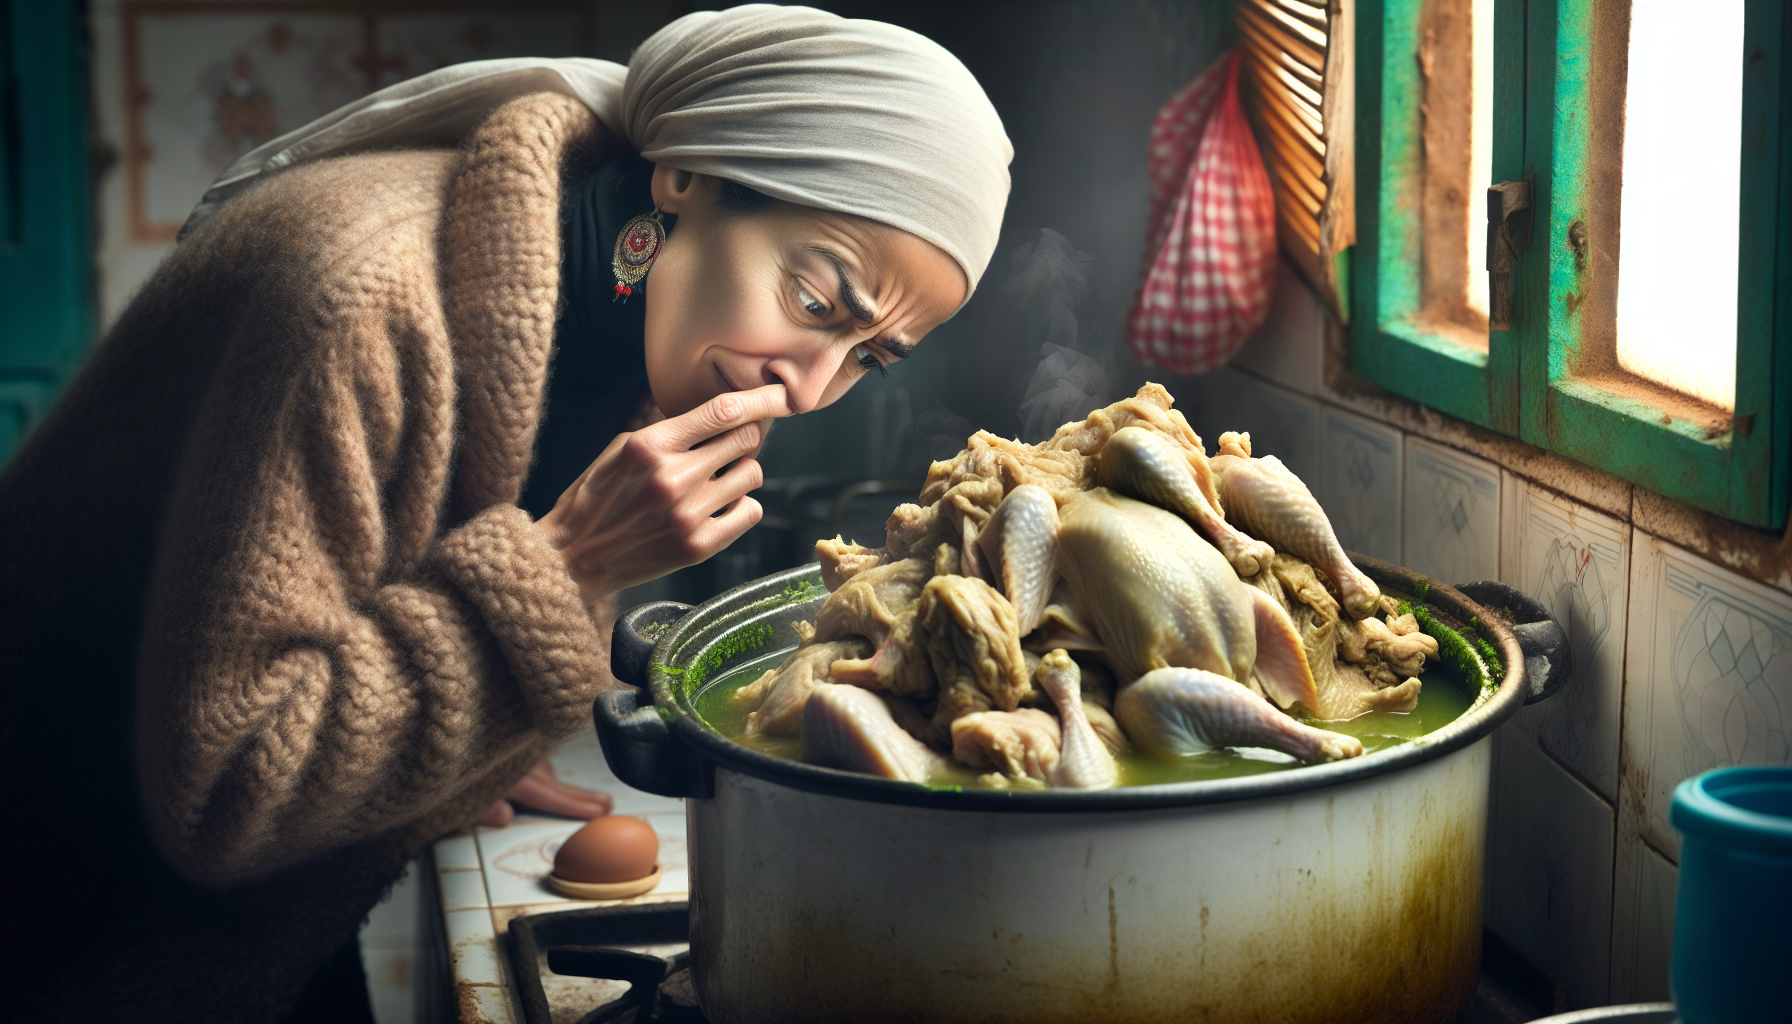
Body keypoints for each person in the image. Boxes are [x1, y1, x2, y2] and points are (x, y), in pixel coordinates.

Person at [0, 6, 1010, 1021]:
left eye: (868, 358)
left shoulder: (618, 304)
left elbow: (375, 594)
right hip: (59, 909)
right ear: (684, 178)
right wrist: (566, 566)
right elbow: (224, 788)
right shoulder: (361, 295)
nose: (808, 388)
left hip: (228, 918)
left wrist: (461, 734)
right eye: (816, 302)